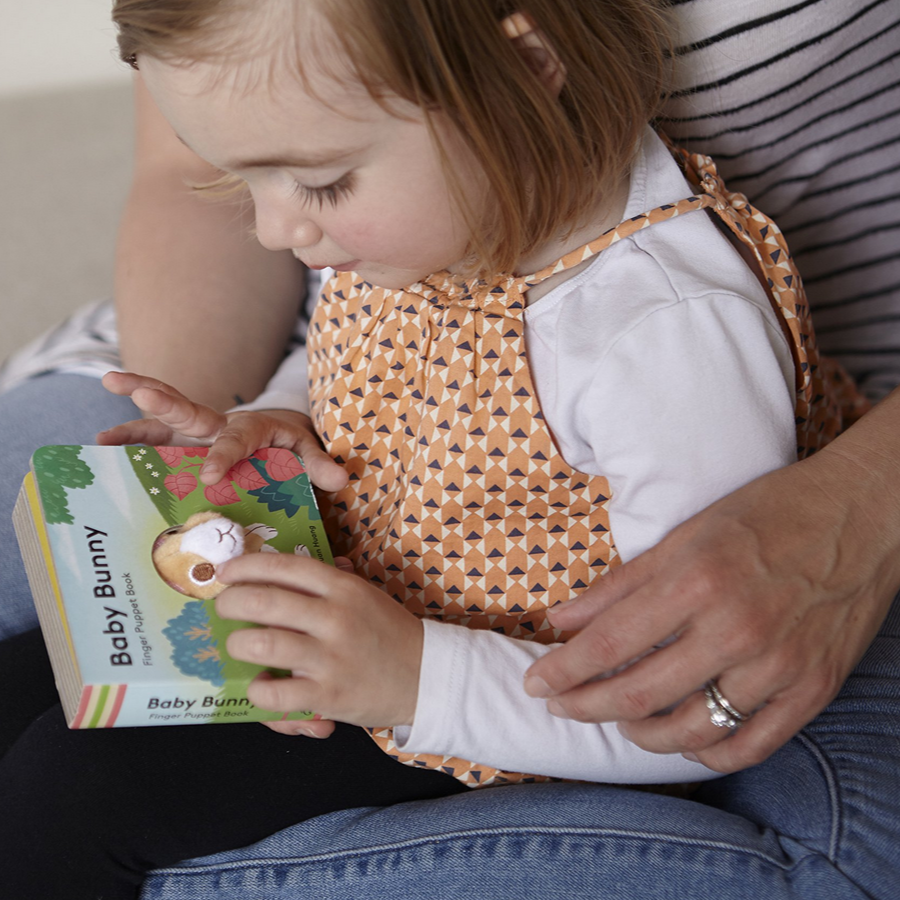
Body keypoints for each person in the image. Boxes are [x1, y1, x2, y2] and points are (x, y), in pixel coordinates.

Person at [0, 3, 897, 900]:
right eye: (247, 184)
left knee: (72, 792)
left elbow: (681, 695)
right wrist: (282, 414)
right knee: (30, 677)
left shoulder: (661, 340)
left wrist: (412, 679)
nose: (276, 232)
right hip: (373, 586)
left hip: (485, 694)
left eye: (320, 183)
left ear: (525, 69)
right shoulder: (447, 213)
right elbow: (354, 349)